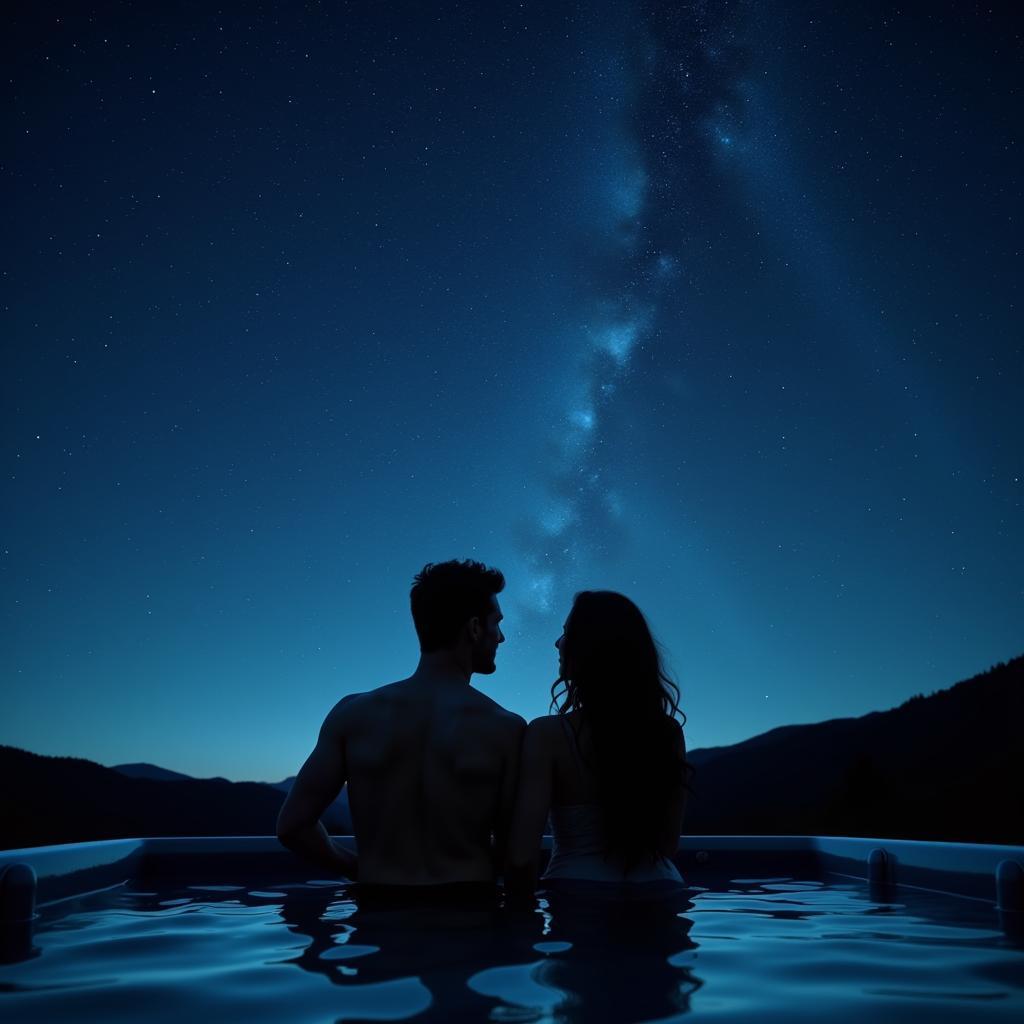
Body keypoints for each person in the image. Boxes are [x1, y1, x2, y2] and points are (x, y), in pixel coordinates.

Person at [276, 559, 526, 900]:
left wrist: (357, 869)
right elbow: (517, 855)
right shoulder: (505, 728)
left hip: (377, 913)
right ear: (474, 628)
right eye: (496, 623)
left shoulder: (352, 714)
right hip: (469, 916)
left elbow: (293, 827)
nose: (502, 637)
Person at [506, 591, 691, 899]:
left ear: (589, 649)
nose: (557, 644)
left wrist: (516, 927)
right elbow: (668, 844)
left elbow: (521, 857)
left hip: (576, 893)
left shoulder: (547, 734)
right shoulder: (667, 732)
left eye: (566, 634)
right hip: (662, 890)